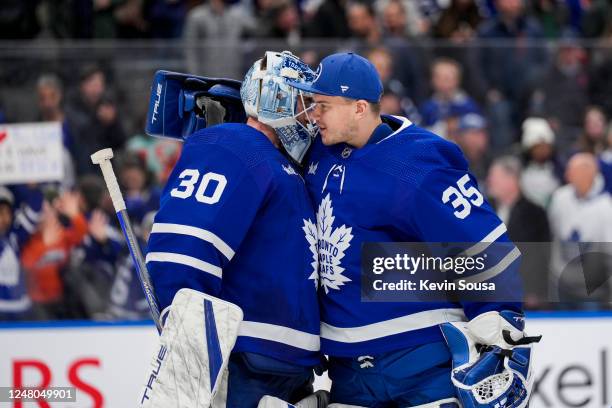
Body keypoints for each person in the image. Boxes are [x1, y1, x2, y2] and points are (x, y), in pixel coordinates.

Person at [291, 52, 537, 407]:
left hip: (420, 361)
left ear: (360, 108)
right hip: (348, 372)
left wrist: (498, 323)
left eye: (324, 105)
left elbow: (483, 246)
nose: (314, 115)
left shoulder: (419, 163)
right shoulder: (318, 151)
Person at [145, 51, 322, 407]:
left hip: (288, 367)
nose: (311, 116)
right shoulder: (234, 147)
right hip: (243, 358)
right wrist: (193, 342)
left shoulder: (283, 165)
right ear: (276, 98)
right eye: (303, 102)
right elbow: (181, 250)